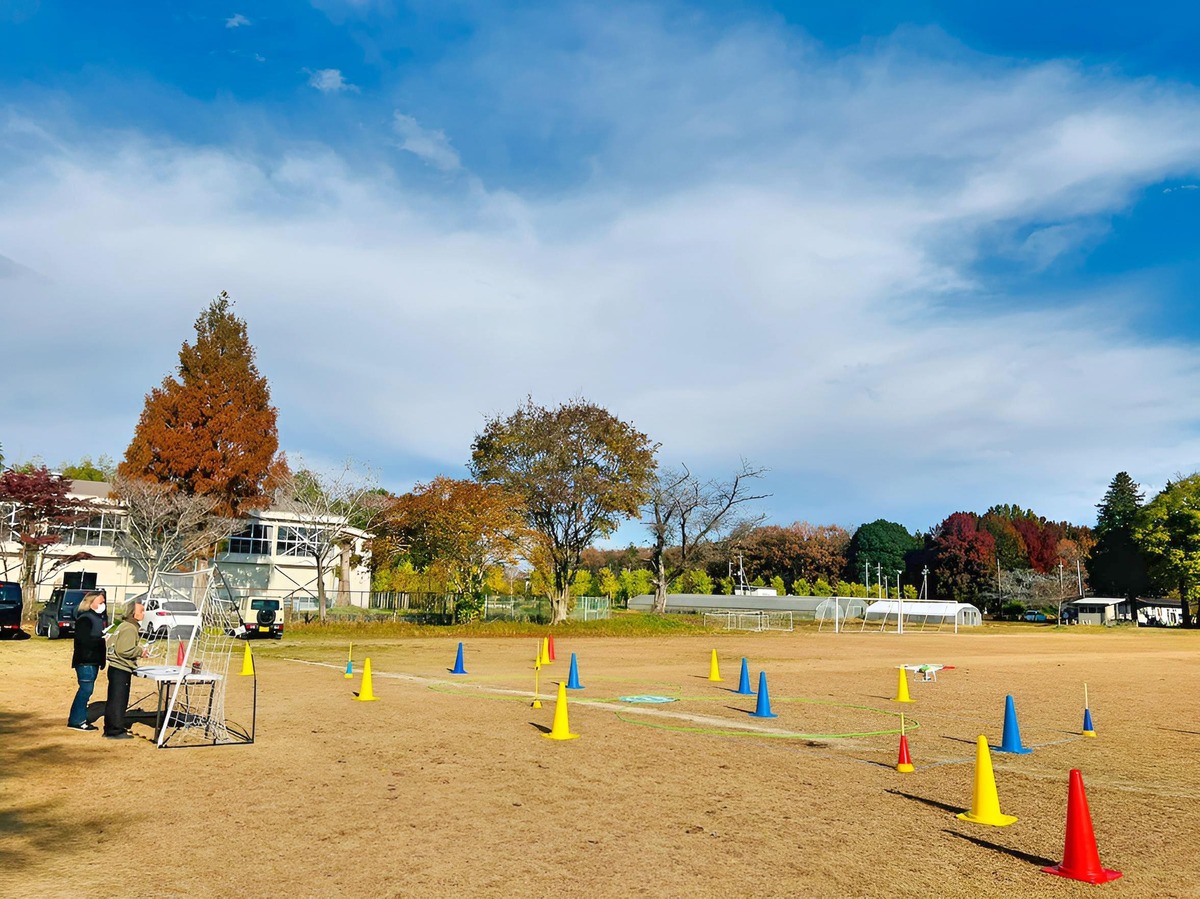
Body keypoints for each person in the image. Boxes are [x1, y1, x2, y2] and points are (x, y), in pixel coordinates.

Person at [103, 598, 147, 739]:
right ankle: (114, 730)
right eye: (141, 610)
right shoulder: (129, 627)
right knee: (118, 701)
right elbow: (124, 650)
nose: (144, 613)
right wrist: (140, 652)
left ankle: (111, 727)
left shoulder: (120, 625)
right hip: (121, 668)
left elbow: (108, 640)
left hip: (115, 667)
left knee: (114, 700)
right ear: (132, 613)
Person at [67, 591, 107, 731]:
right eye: (100, 602)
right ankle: (77, 721)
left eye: (104, 602)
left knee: (86, 690)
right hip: (85, 661)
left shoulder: (99, 618)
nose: (103, 605)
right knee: (85, 690)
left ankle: (77, 719)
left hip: (93, 661)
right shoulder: (85, 619)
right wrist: (102, 638)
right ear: (91, 603)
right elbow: (84, 641)